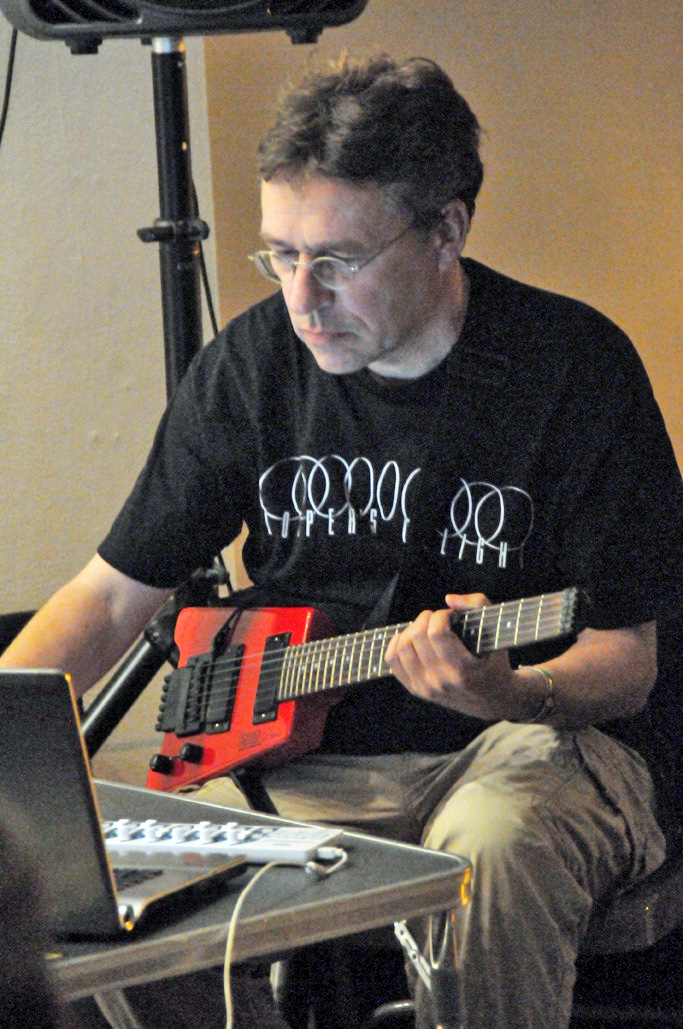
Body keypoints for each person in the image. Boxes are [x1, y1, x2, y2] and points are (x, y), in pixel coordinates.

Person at [2, 55, 682, 1028]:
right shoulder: (251, 366)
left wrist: (512, 691)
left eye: (338, 260)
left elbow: (625, 659)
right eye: (280, 254)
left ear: (446, 229)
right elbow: (111, 598)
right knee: (113, 887)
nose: (301, 296)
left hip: (541, 744)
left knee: (489, 849)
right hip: (304, 763)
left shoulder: (571, 368)